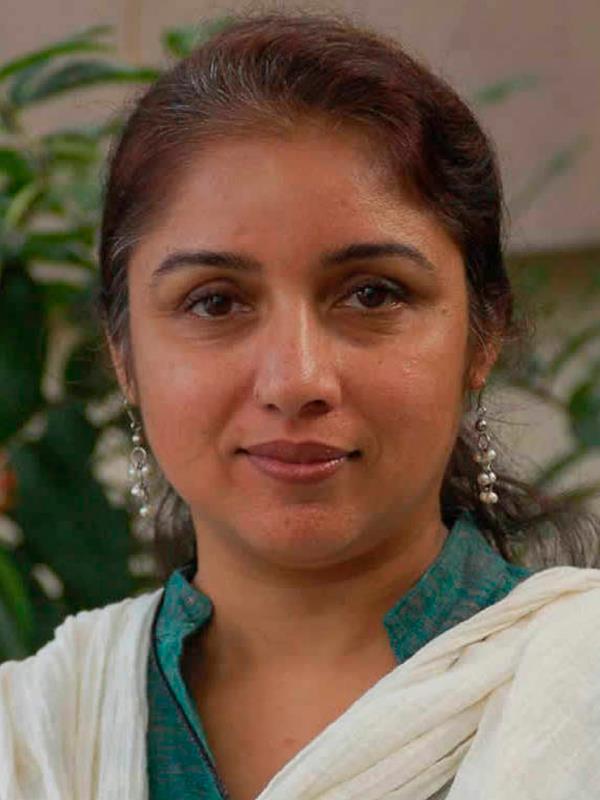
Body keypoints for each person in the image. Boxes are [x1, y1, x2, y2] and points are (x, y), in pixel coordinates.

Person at [1, 10, 600, 800]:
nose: (296, 379)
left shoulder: (578, 690)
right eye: (216, 302)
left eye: (372, 294)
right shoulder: (35, 737)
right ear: (124, 354)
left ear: (482, 332)